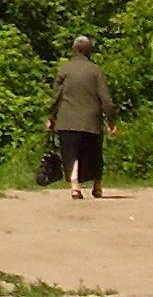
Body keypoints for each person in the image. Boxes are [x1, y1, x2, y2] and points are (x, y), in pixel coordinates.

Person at [48, 35, 117, 200]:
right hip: (91, 120)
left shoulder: (64, 69)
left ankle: (75, 186)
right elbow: (105, 98)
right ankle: (97, 186)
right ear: (89, 51)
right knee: (94, 152)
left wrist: (51, 116)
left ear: (74, 50)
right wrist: (111, 119)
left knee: (71, 153)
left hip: (67, 119)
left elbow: (56, 96)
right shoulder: (96, 71)